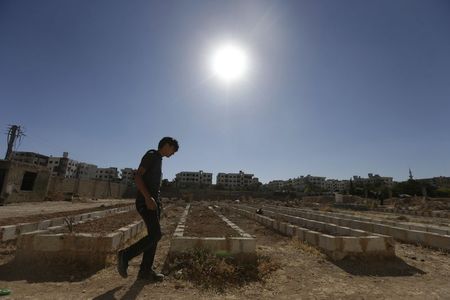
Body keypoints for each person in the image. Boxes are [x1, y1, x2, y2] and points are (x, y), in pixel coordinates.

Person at [117, 137, 179, 281]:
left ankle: (145, 271)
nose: (173, 153)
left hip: (153, 202)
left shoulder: (158, 159)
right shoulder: (151, 155)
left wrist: (157, 202)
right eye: (173, 150)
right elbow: (138, 176)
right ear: (167, 145)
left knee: (153, 237)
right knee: (156, 235)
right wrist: (147, 197)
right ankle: (125, 255)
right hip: (146, 202)